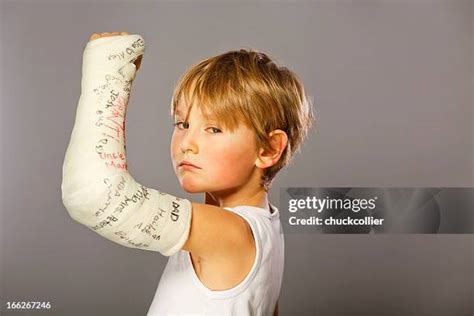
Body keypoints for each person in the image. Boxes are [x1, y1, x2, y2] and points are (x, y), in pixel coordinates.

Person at [61, 31, 314, 316]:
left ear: (268, 149)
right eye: (182, 124)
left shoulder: (233, 233)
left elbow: (93, 196)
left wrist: (108, 68)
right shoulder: (267, 227)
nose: (187, 144)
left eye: (214, 129)